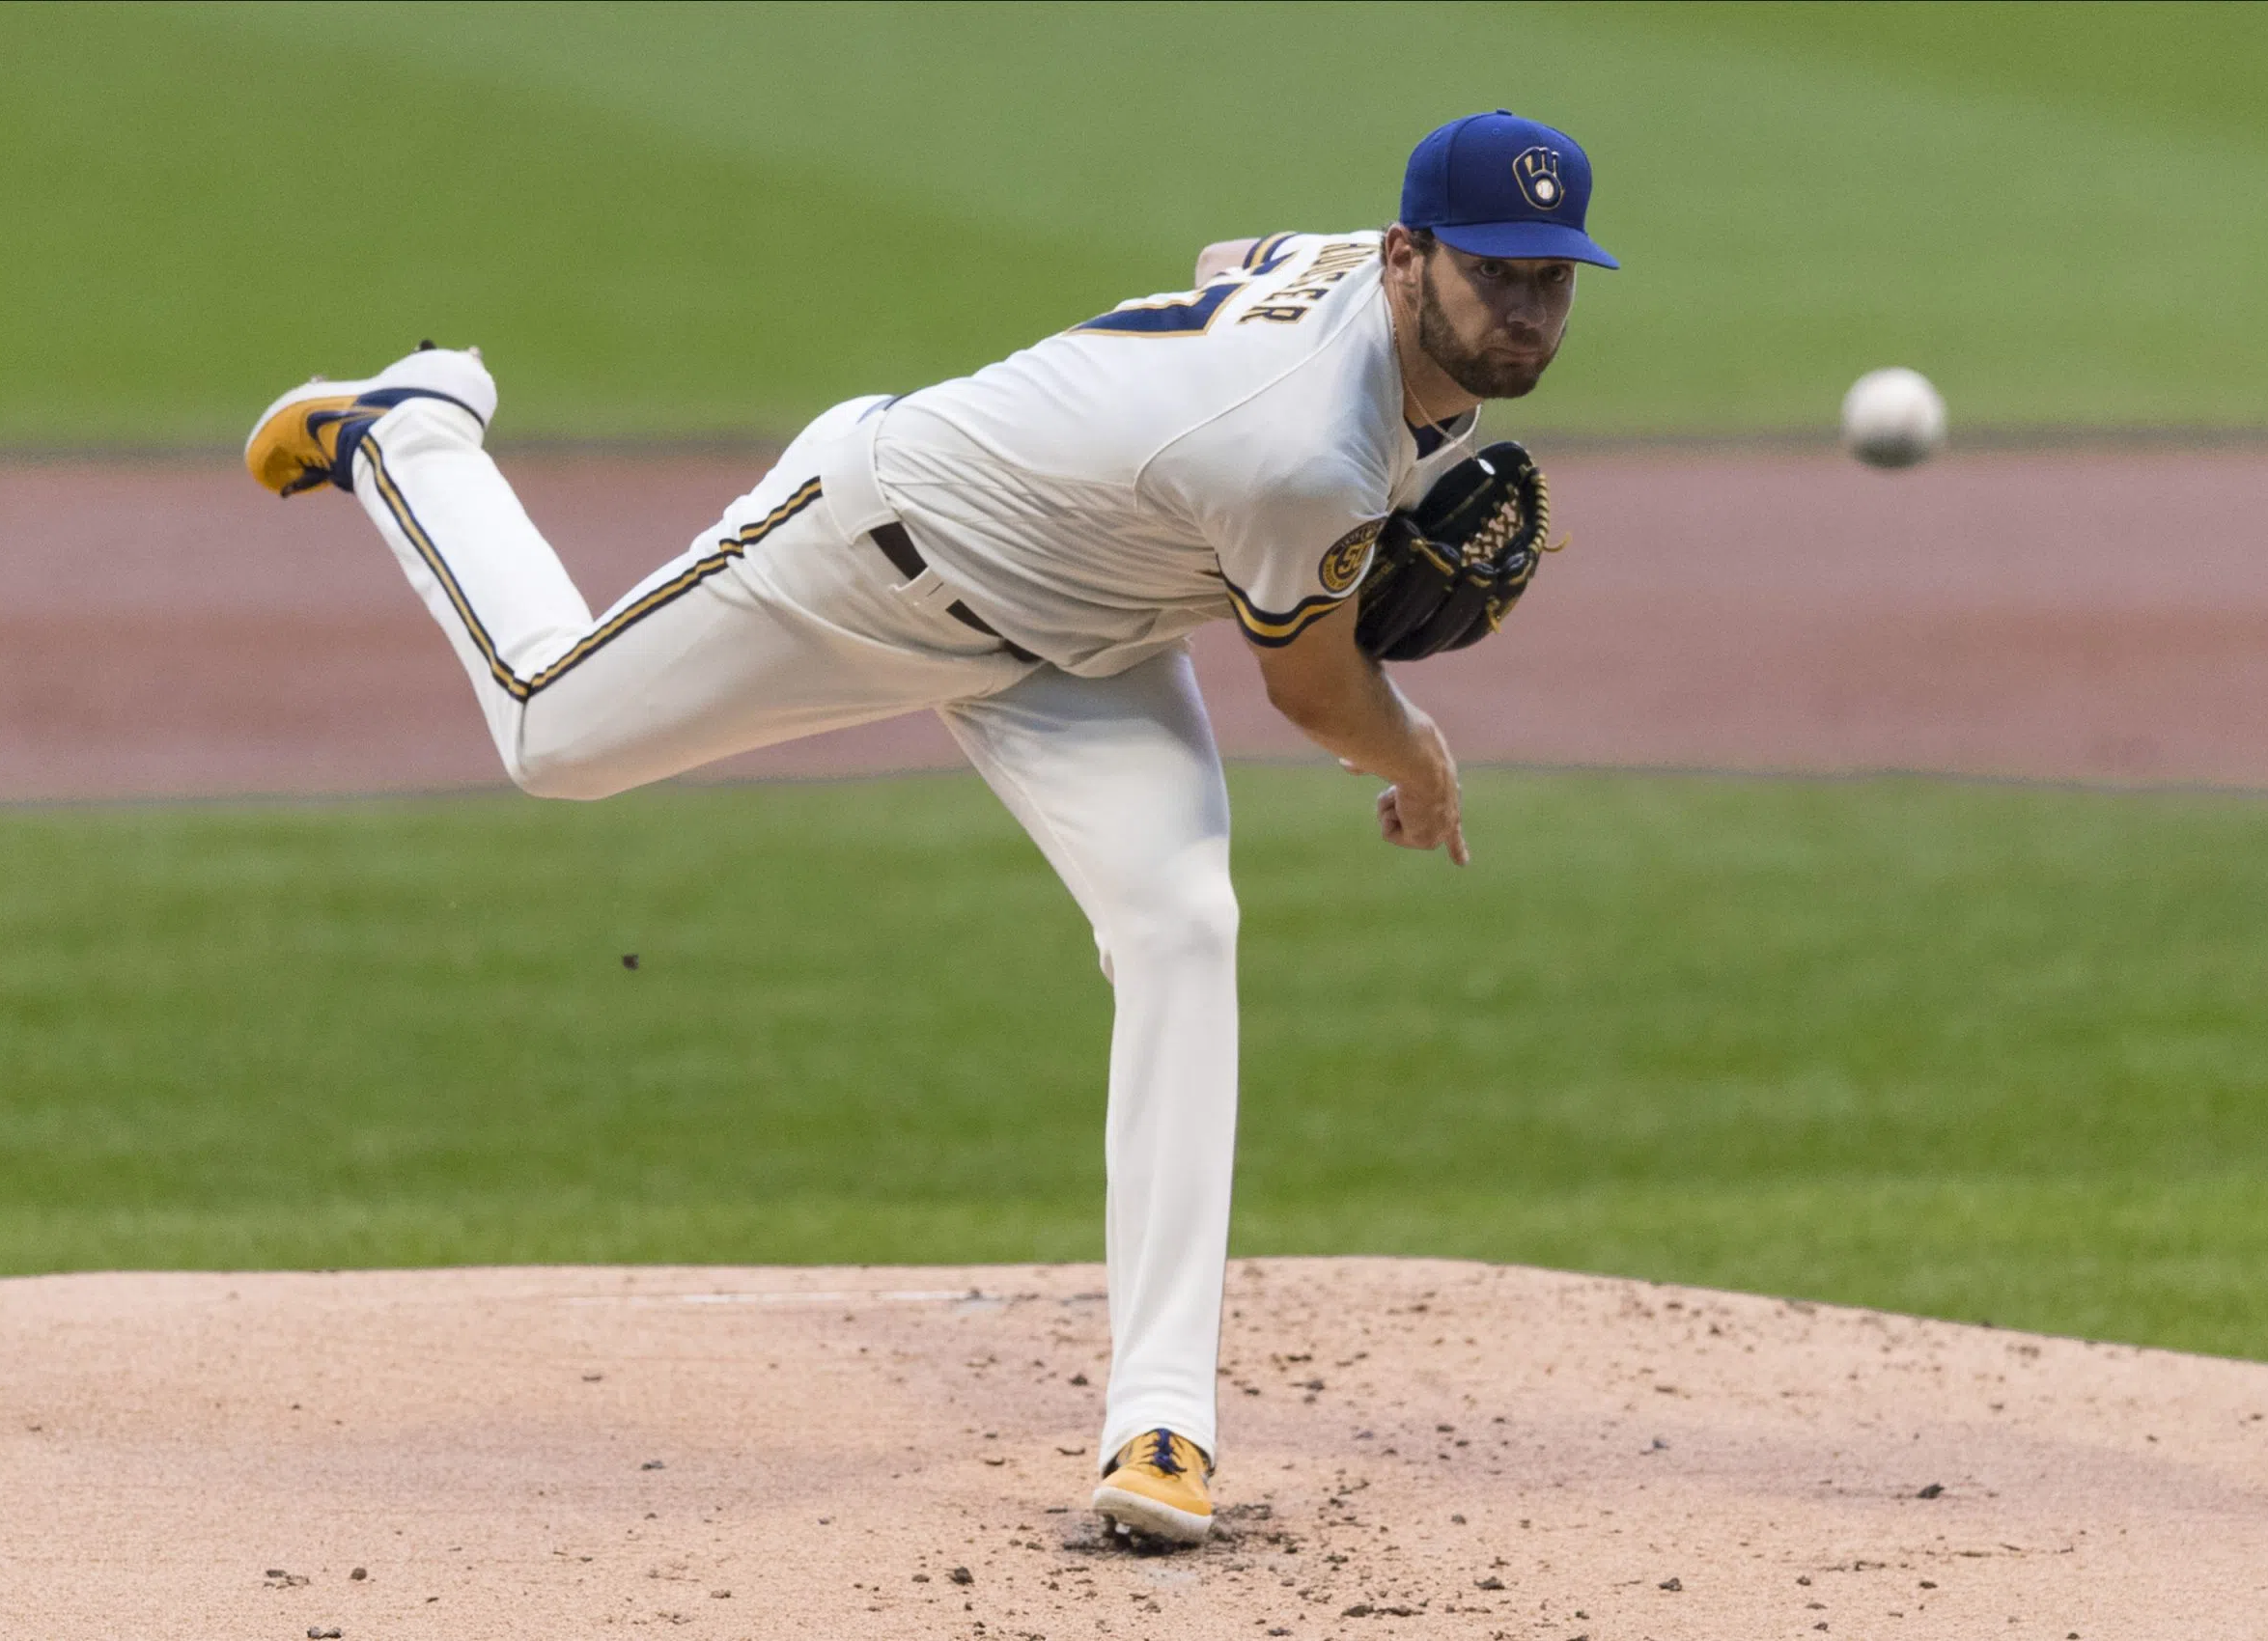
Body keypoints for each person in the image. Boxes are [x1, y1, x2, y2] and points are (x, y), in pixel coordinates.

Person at [244, 109, 1617, 1545]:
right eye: (1494, 272)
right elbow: (1317, 689)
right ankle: (413, 432)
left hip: (1084, 648)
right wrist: (1424, 760)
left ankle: (1164, 1424)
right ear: (1408, 259)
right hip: (871, 555)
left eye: (1553, 276)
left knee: (1182, 924)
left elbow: (1234, 259)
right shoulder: (1299, 456)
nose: (1526, 308)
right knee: (550, 737)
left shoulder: (1357, 284)